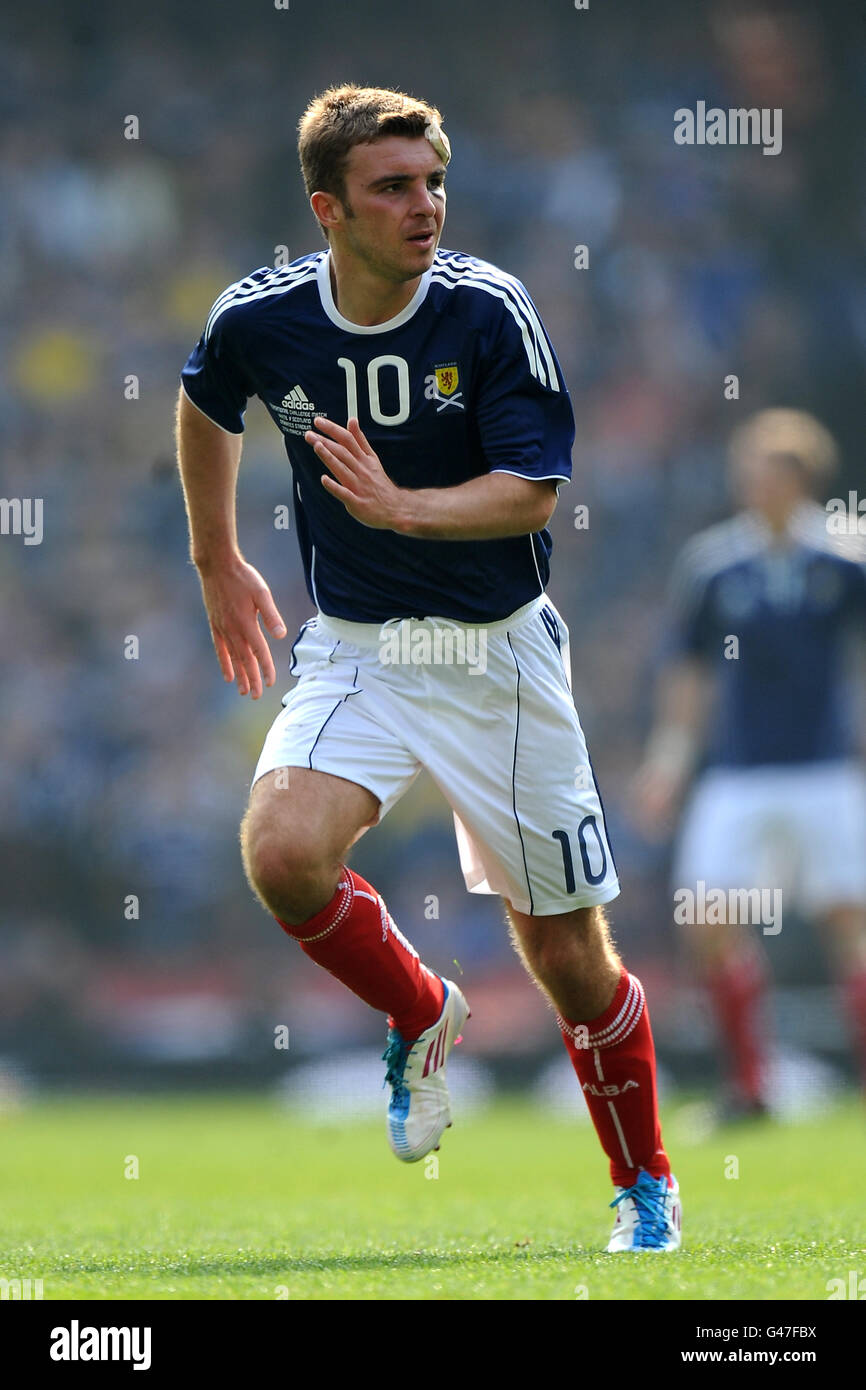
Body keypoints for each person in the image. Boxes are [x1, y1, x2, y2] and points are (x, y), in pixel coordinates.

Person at [177, 83, 680, 1251]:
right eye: (392, 188)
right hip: (357, 649)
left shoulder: (486, 311)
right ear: (327, 210)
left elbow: (532, 491)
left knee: (565, 953)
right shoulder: (263, 321)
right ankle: (418, 1012)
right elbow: (206, 401)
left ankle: (643, 1183)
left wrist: (402, 507)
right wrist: (214, 556)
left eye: (433, 183)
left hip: (495, 658)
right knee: (280, 851)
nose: (425, 207)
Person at [633, 409, 866, 1119]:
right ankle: (750, 1085)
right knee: (707, 915)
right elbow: (690, 674)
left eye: (769, 470)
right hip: (737, 771)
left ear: (801, 478)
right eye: (748, 470)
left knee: (847, 921)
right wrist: (670, 761)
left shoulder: (844, 556)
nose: (753, 483)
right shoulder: (713, 565)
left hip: (824, 769)